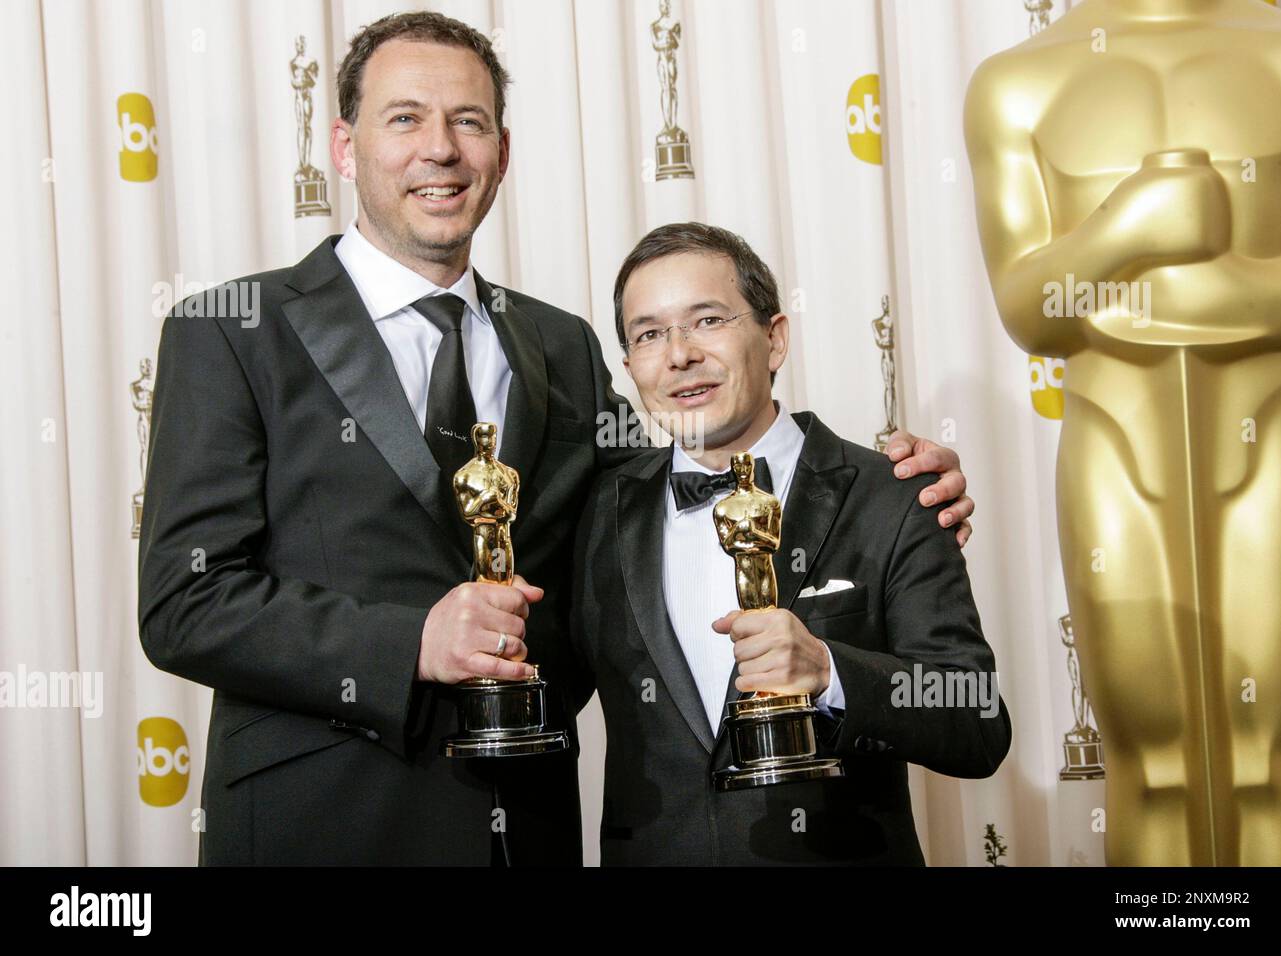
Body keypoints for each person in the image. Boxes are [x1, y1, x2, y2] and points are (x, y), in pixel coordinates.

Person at [137, 11, 973, 866]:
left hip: (524, 828)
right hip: (322, 825)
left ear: (502, 152)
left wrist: (882, 486)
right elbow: (183, 605)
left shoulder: (559, 344)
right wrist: (411, 645)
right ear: (344, 147)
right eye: (405, 118)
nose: (441, 149)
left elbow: (666, 494)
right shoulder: (232, 330)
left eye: (468, 121)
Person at [570, 222, 1010, 865]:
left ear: (774, 339)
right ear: (630, 364)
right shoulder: (596, 514)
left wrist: (831, 673)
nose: (680, 354)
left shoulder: (894, 496)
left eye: (708, 320)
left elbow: (976, 721)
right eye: (649, 334)